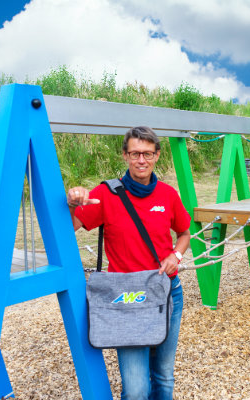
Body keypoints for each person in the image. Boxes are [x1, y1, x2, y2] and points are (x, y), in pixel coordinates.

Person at [67, 126, 191, 399]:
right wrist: (73, 202)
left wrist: (176, 256)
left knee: (164, 378)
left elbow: (184, 233)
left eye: (147, 153)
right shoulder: (106, 193)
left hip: (167, 292)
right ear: (125, 155)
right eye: (135, 153)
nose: (141, 160)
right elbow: (69, 227)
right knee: (136, 389)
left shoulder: (168, 195)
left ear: (157, 155)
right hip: (127, 297)